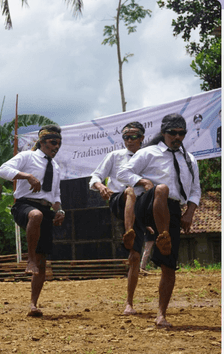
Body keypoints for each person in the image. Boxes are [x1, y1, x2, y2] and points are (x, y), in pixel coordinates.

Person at [118, 113, 200, 327]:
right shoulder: (149, 153)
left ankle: (161, 315)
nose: (177, 137)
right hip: (148, 202)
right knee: (162, 189)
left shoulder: (190, 160)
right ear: (163, 133)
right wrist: (143, 181)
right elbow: (123, 172)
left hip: (171, 209)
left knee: (169, 265)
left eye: (181, 133)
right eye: (172, 132)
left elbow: (195, 190)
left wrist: (189, 212)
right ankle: (159, 235)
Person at [0, 125, 65, 317]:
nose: (56, 146)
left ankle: (33, 304)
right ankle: (30, 259)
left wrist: (60, 211)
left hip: (45, 208)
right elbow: (3, 170)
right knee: (35, 215)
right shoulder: (28, 157)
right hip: (24, 205)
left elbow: (56, 194)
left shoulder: (56, 166)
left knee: (43, 262)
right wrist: (27, 176)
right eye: (53, 142)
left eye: (59, 143)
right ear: (42, 142)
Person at [88, 122, 148, 315]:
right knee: (129, 191)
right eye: (125, 137)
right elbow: (95, 176)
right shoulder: (115, 156)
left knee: (135, 257)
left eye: (133, 136)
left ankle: (129, 303)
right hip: (118, 199)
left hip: (139, 208)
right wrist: (101, 187)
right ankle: (129, 232)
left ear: (142, 138)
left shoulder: (149, 157)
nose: (129, 140)